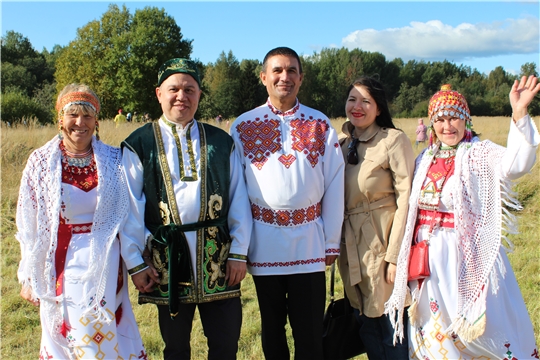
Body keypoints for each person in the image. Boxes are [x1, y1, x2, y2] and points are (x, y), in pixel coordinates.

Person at [385, 77, 540, 359]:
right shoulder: (424, 159)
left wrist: (519, 113)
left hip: (466, 256)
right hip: (427, 262)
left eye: (454, 118)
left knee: (481, 327)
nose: (447, 126)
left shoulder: (481, 153)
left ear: (466, 119)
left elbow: (517, 164)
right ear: (431, 123)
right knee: (434, 329)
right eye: (440, 119)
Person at [120, 58, 252, 360]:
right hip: (167, 261)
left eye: (190, 89)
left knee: (225, 344)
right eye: (174, 89)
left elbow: (239, 199)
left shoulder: (221, 141)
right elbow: (130, 208)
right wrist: (135, 263)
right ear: (159, 94)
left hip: (218, 259)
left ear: (200, 95)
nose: (182, 96)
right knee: (176, 348)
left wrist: (238, 252)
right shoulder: (139, 144)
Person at [16, 84, 146, 359]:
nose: (80, 122)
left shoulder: (114, 159)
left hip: (108, 263)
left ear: (96, 120)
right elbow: (29, 224)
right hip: (63, 263)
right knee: (70, 331)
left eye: (87, 116)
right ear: (60, 119)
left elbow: (129, 214)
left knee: (103, 330)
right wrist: (29, 273)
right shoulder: (40, 163)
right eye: (73, 114)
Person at [230, 46, 345, 359]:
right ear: (264, 77)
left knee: (308, 330)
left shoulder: (320, 124)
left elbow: (335, 184)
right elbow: (237, 190)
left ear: (301, 78)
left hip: (309, 241)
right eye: (277, 71)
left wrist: (331, 242)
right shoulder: (242, 126)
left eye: (292, 70)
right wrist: (241, 246)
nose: (285, 77)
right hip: (264, 240)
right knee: (272, 328)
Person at [338, 76, 414, 359]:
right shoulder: (341, 143)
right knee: (365, 325)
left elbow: (407, 197)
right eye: (352, 100)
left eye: (366, 101)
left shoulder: (393, 140)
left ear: (379, 108)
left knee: (391, 327)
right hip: (351, 248)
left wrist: (396, 256)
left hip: (382, 243)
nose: (357, 107)